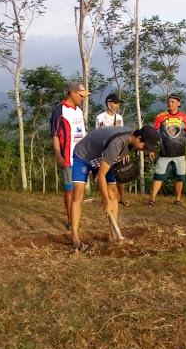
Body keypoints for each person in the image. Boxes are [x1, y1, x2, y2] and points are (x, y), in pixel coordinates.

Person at [70, 125, 159, 252]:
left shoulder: (130, 142)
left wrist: (100, 173)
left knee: (113, 191)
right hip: (83, 155)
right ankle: (75, 240)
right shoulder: (117, 144)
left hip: (102, 157)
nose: (144, 150)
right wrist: (105, 202)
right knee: (78, 194)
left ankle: (113, 236)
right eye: (145, 146)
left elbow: (104, 169)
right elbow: (101, 175)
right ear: (139, 138)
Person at [51, 81, 89, 229]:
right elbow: (55, 135)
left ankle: (75, 214)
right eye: (81, 95)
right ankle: (70, 219)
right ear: (72, 93)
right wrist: (58, 155)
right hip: (67, 156)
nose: (83, 98)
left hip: (82, 156)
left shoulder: (79, 111)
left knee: (79, 189)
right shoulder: (59, 111)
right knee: (70, 188)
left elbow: (84, 133)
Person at [147, 93, 186, 207]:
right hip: (164, 153)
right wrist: (151, 149)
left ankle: (178, 199)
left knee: (180, 177)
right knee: (158, 176)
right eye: (168, 102)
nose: (170, 104)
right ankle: (152, 199)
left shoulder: (185, 118)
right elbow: (155, 134)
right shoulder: (160, 117)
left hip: (180, 154)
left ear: (179, 104)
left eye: (173, 102)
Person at [94, 92, 130, 207]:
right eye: (115, 103)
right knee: (104, 172)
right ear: (109, 104)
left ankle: (122, 197)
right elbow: (97, 135)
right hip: (105, 149)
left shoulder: (119, 118)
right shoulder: (100, 118)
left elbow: (123, 134)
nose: (117, 106)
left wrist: (125, 151)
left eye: (118, 104)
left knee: (121, 172)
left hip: (118, 149)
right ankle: (105, 197)